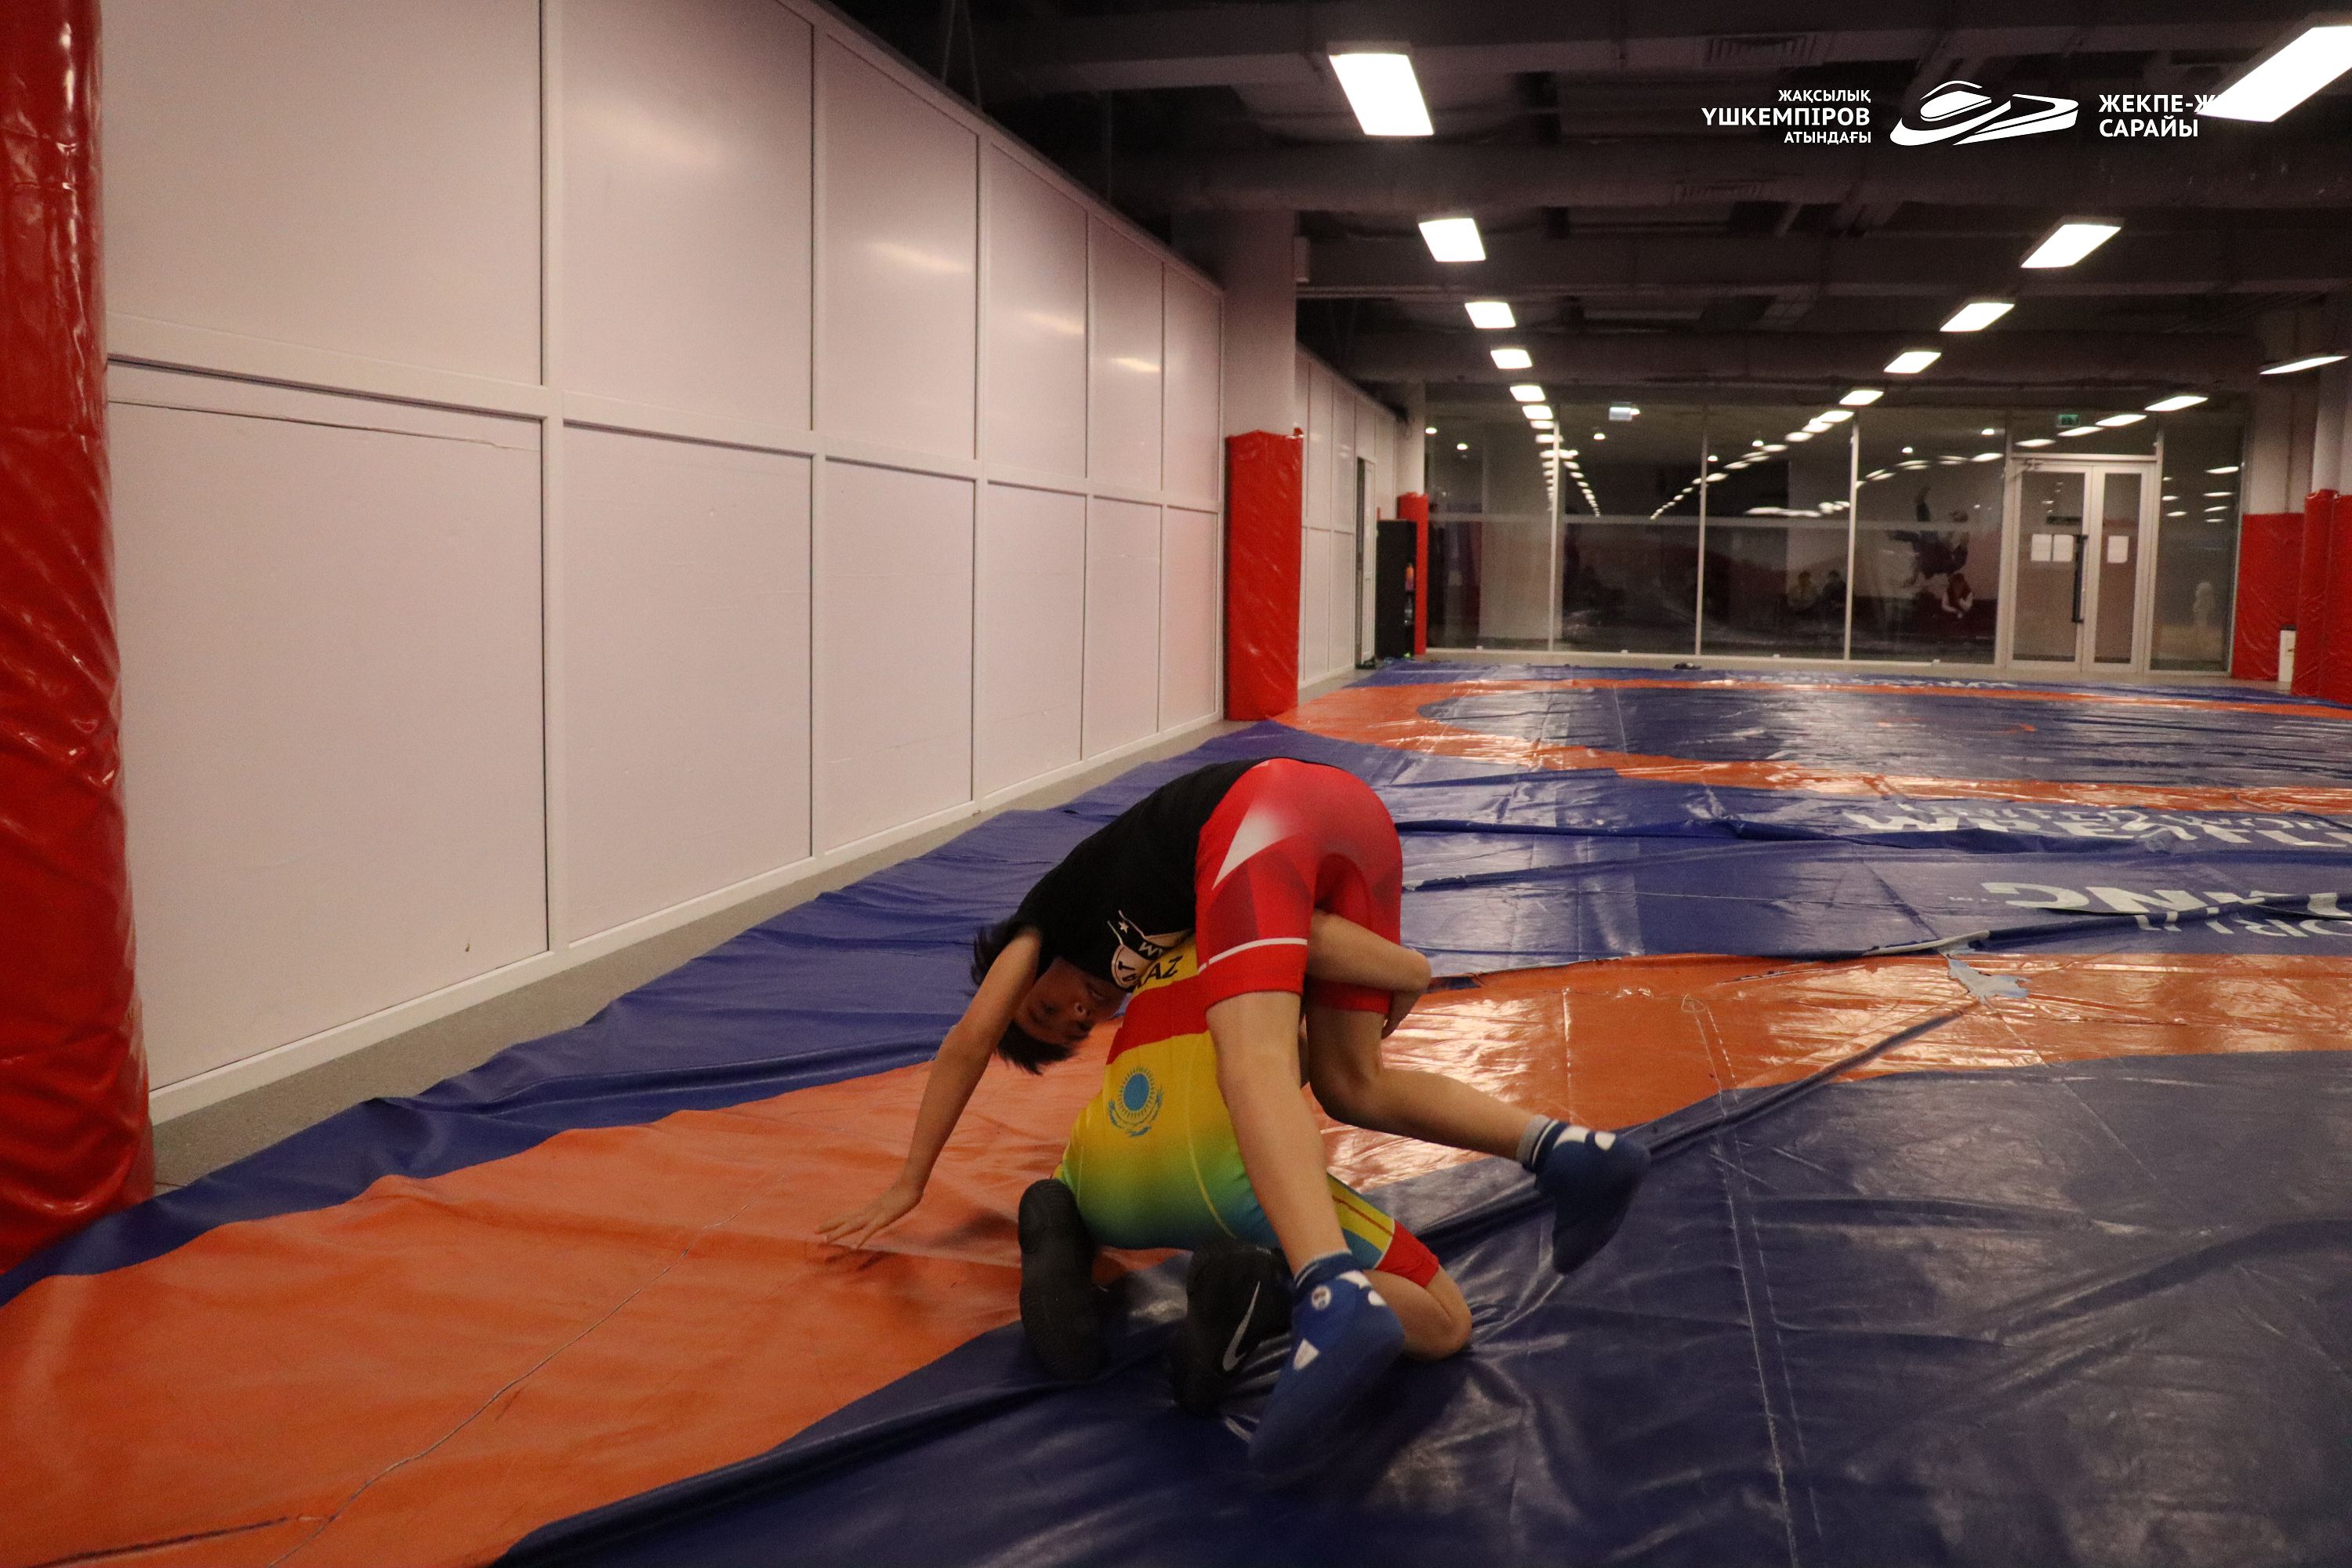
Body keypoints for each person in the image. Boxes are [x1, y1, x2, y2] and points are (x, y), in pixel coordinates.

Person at [819, 757, 1650, 1474]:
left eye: (1048, 1009)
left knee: (1247, 1057)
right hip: (1355, 827)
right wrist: (1405, 970)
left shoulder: (1048, 920)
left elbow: (970, 1036)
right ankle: (1561, 1148)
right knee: (1352, 1082)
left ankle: (1328, 1293)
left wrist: (911, 1179)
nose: (1077, 1015)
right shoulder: (1181, 920)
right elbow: (1308, 930)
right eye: (1073, 1029)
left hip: (1265, 808)